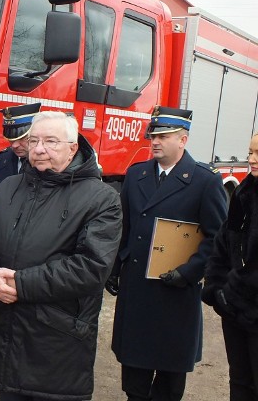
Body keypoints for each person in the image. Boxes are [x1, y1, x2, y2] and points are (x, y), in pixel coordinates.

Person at [0, 111, 122, 400]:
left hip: (57, 344)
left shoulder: (101, 198)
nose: (39, 149)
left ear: (73, 148)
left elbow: (91, 267)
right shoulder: (9, 187)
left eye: (51, 141)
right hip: (6, 335)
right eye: (34, 140)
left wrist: (21, 283)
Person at [110, 106, 227, 401]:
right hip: (137, 288)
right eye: (154, 135)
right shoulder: (136, 174)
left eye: (164, 135)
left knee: (168, 382)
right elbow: (123, 226)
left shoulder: (204, 181)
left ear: (183, 140)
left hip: (175, 293)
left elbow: (217, 238)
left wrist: (188, 273)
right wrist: (114, 267)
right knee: (134, 380)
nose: (156, 141)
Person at [202, 133, 258, 400]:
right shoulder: (244, 192)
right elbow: (224, 242)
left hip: (250, 307)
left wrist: (233, 290)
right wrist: (215, 288)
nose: (252, 159)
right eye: (250, 152)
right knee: (239, 382)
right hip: (234, 311)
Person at [0, 102, 41, 192]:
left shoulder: (49, 164)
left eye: (22, 138)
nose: (14, 145)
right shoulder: (0, 161)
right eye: (11, 139)